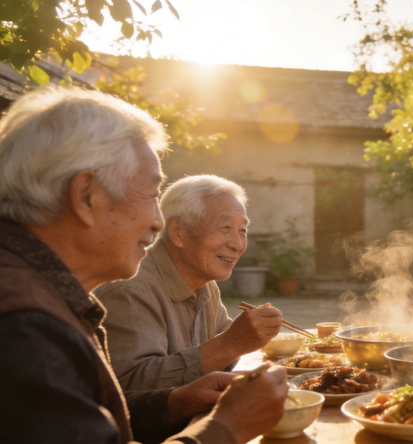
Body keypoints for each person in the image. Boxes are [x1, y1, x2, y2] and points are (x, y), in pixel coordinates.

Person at [0, 87, 288, 444]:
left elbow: (103, 422)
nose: (157, 222)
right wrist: (227, 427)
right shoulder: (26, 327)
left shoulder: (42, 296)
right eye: (151, 196)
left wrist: (173, 403)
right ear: (87, 196)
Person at [96, 175, 283, 391]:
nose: (238, 244)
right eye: (225, 228)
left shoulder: (204, 281)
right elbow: (130, 388)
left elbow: (221, 350)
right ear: (178, 232)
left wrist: (245, 337)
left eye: (242, 231)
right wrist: (231, 343)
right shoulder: (129, 288)